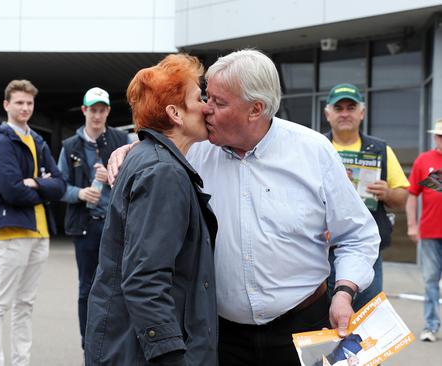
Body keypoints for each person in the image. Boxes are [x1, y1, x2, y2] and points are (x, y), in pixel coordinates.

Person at [107, 49, 380, 366]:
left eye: (219, 103)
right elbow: (162, 146)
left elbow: (357, 235)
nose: (207, 109)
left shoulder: (313, 151)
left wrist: (344, 293)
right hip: (219, 335)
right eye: (207, 97)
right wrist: (133, 147)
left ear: (256, 109)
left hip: (303, 330)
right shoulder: (193, 153)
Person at [84, 54, 218, 365]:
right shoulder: (163, 172)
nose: (207, 106)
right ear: (175, 113)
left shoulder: (150, 158)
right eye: (199, 97)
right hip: (141, 351)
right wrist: (170, 355)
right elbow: (145, 277)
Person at [0, 79, 66, 366]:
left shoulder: (38, 140)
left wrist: (38, 185)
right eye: (19, 102)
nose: (25, 107)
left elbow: (60, 185)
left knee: (25, 305)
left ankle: (21, 362)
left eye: (29, 103)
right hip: (12, 232)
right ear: (6, 105)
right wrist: (43, 188)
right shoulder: (1, 142)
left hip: (39, 232)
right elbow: (11, 190)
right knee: (0, 303)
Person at [323, 83, 409, 311]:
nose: (344, 113)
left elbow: (402, 198)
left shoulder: (380, 149)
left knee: (365, 320)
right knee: (321, 321)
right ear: (327, 113)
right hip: (320, 253)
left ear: (361, 112)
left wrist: (387, 193)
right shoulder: (315, 147)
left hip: (366, 253)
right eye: (338, 107)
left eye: (350, 107)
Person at [56, 87, 129, 348]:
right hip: (85, 227)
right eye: (92, 110)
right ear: (84, 110)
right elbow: (58, 186)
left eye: (102, 110)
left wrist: (112, 178)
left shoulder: (123, 140)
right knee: (87, 287)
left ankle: (116, 342)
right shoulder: (70, 146)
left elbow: (138, 180)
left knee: (120, 284)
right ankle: (89, 344)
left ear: (108, 111)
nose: (97, 116)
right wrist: (81, 193)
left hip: (118, 226)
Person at [406, 118, 442, 342]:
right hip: (430, 232)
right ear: (434, 137)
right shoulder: (424, 161)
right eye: (440, 135)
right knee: (430, 280)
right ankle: (431, 326)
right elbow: (412, 195)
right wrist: (411, 225)